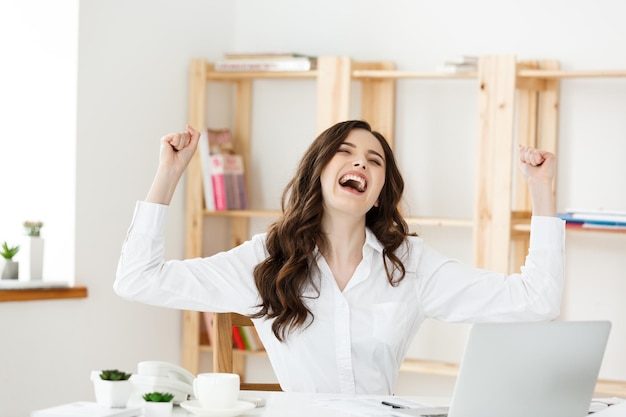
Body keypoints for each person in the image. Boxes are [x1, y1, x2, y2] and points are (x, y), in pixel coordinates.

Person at [115, 120, 564, 395]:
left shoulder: (409, 264)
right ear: (319, 172)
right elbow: (137, 279)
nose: (361, 164)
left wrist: (541, 190)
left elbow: (536, 301)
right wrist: (169, 173)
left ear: (378, 193)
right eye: (346, 153)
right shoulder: (264, 262)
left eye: (375, 161)